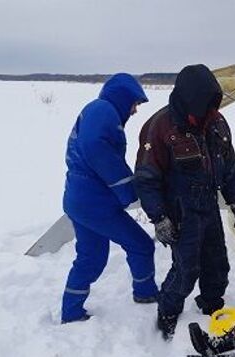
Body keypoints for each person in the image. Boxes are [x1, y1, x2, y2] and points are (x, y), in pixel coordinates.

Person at [134, 64, 235, 340]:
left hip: (208, 205)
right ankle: (168, 314)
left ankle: (212, 308)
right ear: (188, 100)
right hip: (180, 212)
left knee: (217, 265)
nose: (208, 111)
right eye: (203, 105)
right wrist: (159, 218)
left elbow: (228, 164)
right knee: (186, 270)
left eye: (212, 104)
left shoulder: (217, 122)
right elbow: (147, 178)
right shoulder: (160, 127)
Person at [61, 73, 158, 323]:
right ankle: (146, 294)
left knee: (90, 258)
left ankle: (71, 311)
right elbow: (97, 150)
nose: (135, 110)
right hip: (95, 203)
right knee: (141, 245)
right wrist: (127, 189)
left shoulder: (96, 111)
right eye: (134, 103)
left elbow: (97, 152)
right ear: (122, 96)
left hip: (79, 198)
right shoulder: (104, 110)